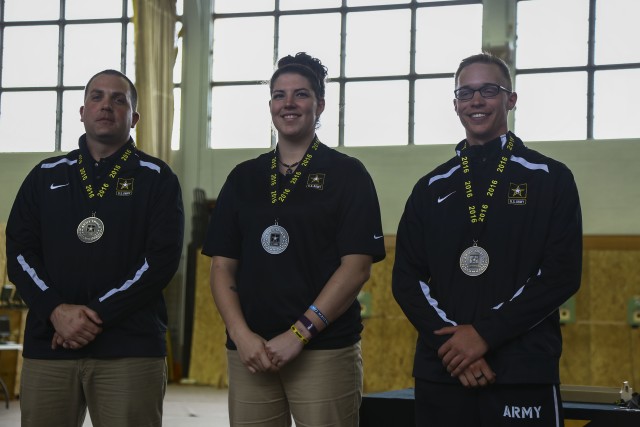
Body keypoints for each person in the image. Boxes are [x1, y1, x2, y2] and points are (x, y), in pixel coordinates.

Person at [392, 52, 582, 427]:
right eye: (466, 93)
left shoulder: (550, 178)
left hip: (521, 371)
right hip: (443, 369)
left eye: (489, 90)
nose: (476, 101)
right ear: (456, 105)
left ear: (510, 99)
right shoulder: (431, 188)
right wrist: (454, 347)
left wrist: (483, 335)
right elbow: (406, 279)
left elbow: (561, 274)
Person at [202, 52, 386, 427]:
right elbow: (221, 266)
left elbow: (357, 268)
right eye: (278, 95)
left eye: (300, 94)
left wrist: (299, 334)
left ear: (319, 104)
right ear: (270, 105)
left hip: (322, 350)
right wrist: (241, 336)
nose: (288, 103)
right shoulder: (243, 178)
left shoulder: (347, 175)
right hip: (250, 352)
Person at [6, 69, 184, 427]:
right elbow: (20, 253)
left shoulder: (157, 177)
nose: (107, 106)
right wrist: (55, 311)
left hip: (129, 349)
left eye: (119, 99)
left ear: (133, 117)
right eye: (97, 97)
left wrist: (93, 315)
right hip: (51, 345)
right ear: (83, 110)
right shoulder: (45, 175)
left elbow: (160, 261)